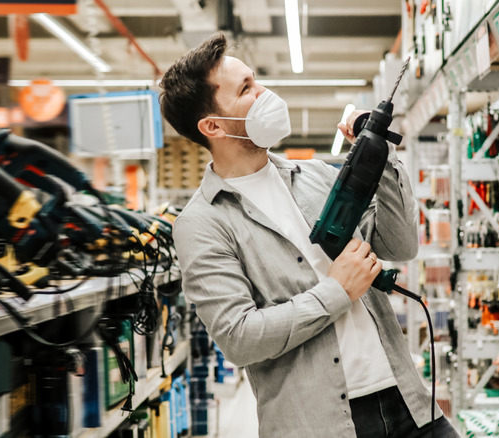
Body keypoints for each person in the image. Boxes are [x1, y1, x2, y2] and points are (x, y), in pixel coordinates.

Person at [160, 33, 459, 438]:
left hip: (409, 403)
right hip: (317, 425)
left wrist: (380, 158)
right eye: (246, 89)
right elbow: (238, 337)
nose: (264, 92)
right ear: (212, 125)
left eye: (256, 79)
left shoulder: (317, 176)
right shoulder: (202, 223)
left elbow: (400, 246)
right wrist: (337, 290)